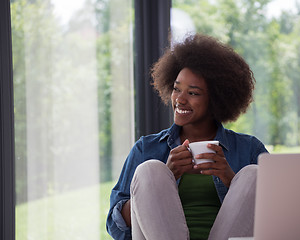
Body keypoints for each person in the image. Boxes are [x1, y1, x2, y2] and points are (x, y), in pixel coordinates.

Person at [106, 34, 268, 240]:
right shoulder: (146, 148)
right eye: (176, 89)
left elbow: (279, 219)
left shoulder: (249, 149)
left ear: (216, 98)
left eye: (193, 93)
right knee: (151, 169)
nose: (180, 100)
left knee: (252, 174)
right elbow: (115, 226)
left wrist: (230, 179)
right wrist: (167, 175)